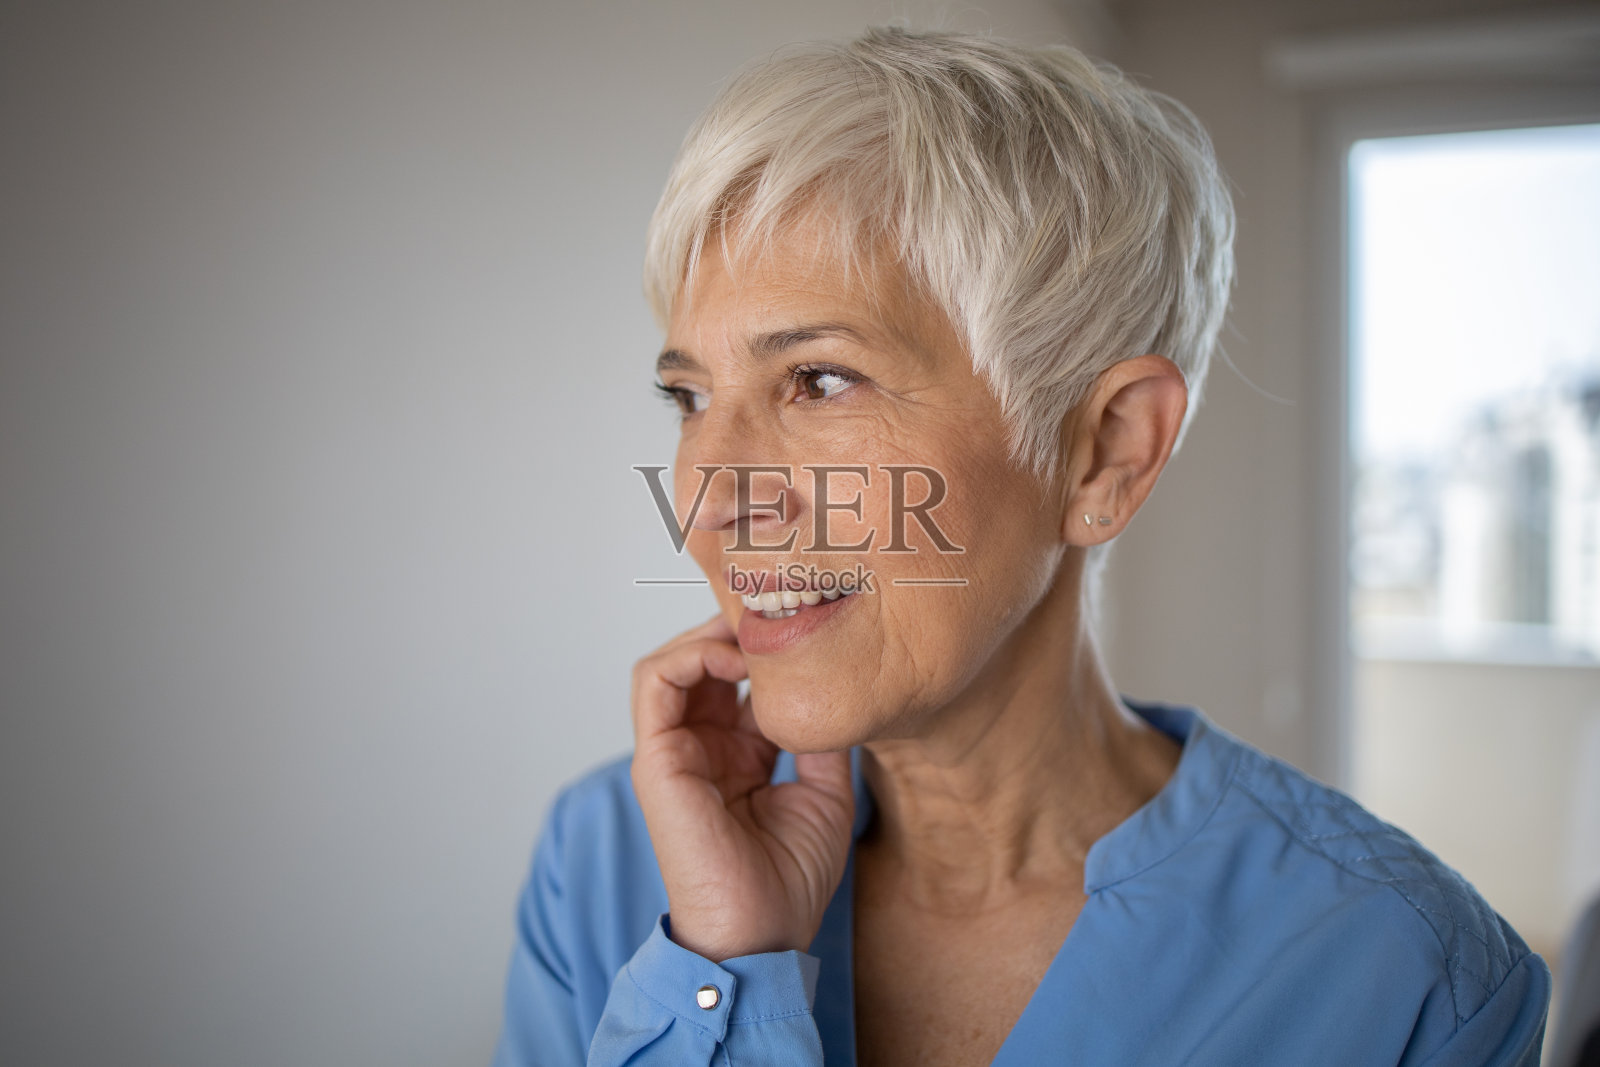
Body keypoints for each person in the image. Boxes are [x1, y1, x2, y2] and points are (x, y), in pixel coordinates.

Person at [491, 26, 1551, 1065]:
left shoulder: (1411, 984)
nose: (710, 499)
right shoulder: (609, 859)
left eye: (819, 380)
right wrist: (722, 966)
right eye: (688, 395)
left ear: (1104, 453)